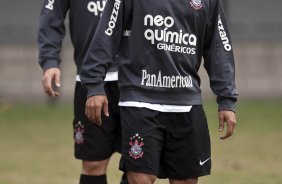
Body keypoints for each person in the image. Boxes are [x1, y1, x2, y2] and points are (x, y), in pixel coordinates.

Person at [80, 0, 238, 183]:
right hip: (139, 99)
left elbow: (219, 46)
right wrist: (94, 84)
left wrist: (227, 99)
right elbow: (106, 33)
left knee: (186, 180)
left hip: (186, 102)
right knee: (141, 178)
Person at [37, 0, 127, 183]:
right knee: (93, 164)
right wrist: (50, 62)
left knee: (138, 167)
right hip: (90, 79)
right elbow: (51, 15)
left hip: (134, 79)